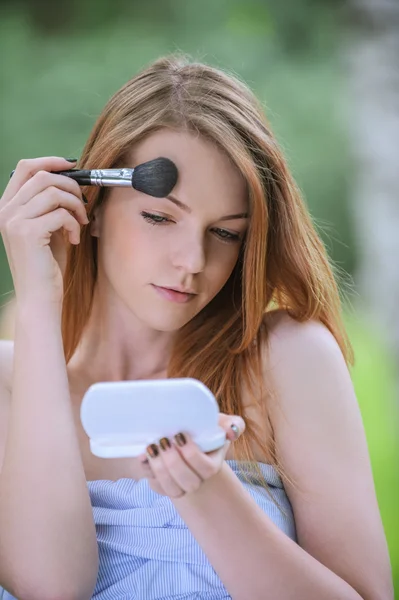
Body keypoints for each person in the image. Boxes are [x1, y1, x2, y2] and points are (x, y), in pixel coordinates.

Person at [0, 54, 393, 600]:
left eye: (227, 233)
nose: (191, 260)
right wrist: (40, 301)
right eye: (160, 218)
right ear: (91, 202)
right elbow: (51, 587)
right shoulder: (11, 382)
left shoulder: (288, 360)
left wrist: (209, 494)